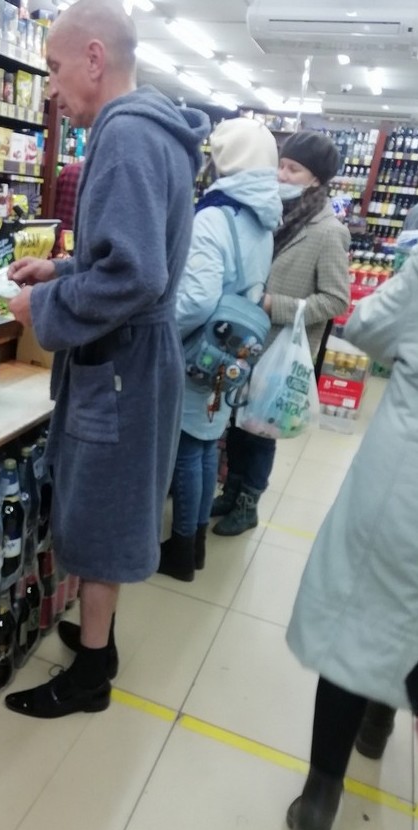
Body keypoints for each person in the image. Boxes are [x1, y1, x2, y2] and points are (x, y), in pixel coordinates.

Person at [3, 0, 209, 718]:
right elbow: (132, 257)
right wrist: (62, 271)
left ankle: (91, 674)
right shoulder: (155, 130)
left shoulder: (124, 135)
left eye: (55, 68)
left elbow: (134, 275)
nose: (52, 87)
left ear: (94, 58)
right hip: (135, 360)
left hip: (121, 364)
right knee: (109, 505)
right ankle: (102, 641)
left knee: (100, 515)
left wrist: (43, 306)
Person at [285, 247, 418, 830]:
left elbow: (364, 325)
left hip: (402, 485)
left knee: (359, 617)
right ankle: (381, 718)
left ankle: (320, 797)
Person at [157, 118, 281, 582]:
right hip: (233, 350)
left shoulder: (214, 217)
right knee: (209, 443)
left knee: (187, 449)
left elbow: (195, 300)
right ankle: (196, 543)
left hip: (199, 348)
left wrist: (161, 334)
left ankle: (181, 550)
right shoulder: (261, 218)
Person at [213, 131, 351, 536]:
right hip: (247, 342)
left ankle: (248, 504)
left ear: (316, 179)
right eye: (282, 165)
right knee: (237, 422)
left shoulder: (328, 231)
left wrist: (278, 305)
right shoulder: (270, 214)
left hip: (280, 349)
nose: (282, 175)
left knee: (261, 430)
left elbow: (336, 299)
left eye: (294, 169)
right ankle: (231, 490)